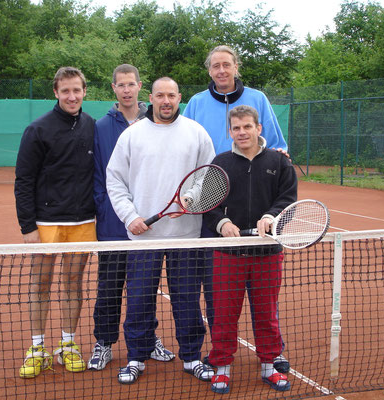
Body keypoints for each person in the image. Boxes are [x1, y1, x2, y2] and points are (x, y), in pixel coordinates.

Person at [183, 44, 291, 374]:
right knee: (219, 287)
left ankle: (272, 353)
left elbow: (277, 146)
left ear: (236, 67)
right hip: (213, 205)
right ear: (209, 70)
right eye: (215, 66)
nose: (221, 70)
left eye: (226, 65)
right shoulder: (197, 103)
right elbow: (183, 142)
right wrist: (200, 200)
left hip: (257, 207)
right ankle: (221, 354)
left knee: (264, 296)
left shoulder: (258, 99)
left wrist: (270, 207)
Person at [106, 77, 215, 385]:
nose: (166, 100)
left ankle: (192, 356)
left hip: (187, 236)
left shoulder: (196, 133)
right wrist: (130, 217)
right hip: (143, 237)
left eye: (171, 95)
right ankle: (136, 358)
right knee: (139, 300)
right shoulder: (132, 135)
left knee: (188, 300)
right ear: (150, 98)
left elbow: (208, 178)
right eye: (160, 95)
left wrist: (193, 201)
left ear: (179, 97)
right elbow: (114, 180)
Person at [204, 105, 297, 394]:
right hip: (228, 253)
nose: (242, 132)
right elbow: (209, 206)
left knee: (266, 312)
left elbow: (287, 201)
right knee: (224, 313)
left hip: (267, 253)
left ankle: (270, 364)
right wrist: (223, 224)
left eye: (247, 126)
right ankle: (221, 367)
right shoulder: (220, 163)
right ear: (230, 131)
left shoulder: (280, 163)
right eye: (236, 128)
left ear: (259, 128)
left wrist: (271, 217)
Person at [88, 64, 174, 371]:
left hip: (147, 226)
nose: (126, 90)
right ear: (113, 88)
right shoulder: (100, 127)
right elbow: (101, 176)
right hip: (113, 223)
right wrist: (110, 211)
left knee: (144, 287)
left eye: (131, 84)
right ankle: (104, 342)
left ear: (140, 87)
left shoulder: (158, 122)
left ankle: (147, 339)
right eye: (120, 85)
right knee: (109, 286)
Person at [14, 66, 96, 378]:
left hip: (83, 221)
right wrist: (28, 228)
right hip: (46, 223)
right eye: (66, 91)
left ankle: (68, 345)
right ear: (56, 93)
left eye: (77, 90)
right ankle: (37, 348)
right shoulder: (38, 130)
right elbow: (23, 181)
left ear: (84, 91)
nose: (72, 96)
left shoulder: (91, 126)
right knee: (40, 285)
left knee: (73, 284)